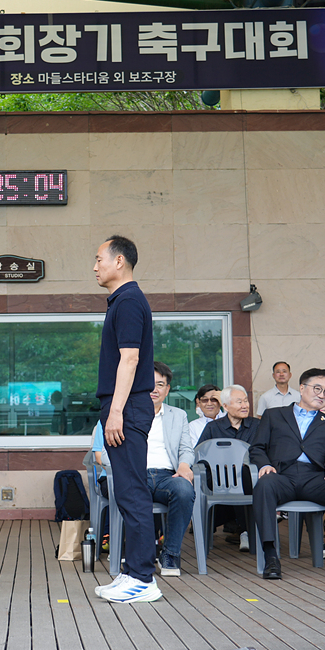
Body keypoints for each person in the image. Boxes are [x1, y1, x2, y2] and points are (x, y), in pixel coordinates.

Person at [90, 235, 163, 603]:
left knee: (132, 490)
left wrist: (116, 410)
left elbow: (130, 359)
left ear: (120, 261)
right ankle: (133, 572)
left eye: (99, 258)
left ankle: (144, 580)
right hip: (125, 405)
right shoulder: (122, 301)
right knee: (125, 490)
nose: (95, 265)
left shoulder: (130, 300)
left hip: (128, 407)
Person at [250, 368, 325, 581]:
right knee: (264, 485)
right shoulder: (274, 415)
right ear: (302, 388)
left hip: (315, 478)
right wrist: (264, 464)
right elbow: (257, 448)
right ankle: (271, 557)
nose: (322, 394)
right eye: (317, 388)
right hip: (281, 476)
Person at [94, 362, 194, 576]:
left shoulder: (179, 415)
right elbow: (105, 453)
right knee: (134, 496)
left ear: (167, 389)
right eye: (149, 385)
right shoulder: (123, 413)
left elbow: (186, 448)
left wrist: (185, 465)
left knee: (184, 490)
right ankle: (139, 556)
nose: (154, 390)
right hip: (135, 474)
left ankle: (170, 554)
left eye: (160, 384)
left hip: (168, 475)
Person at [199, 385, 259, 552]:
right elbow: (200, 457)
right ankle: (245, 530)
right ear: (225, 406)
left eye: (246, 401)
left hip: (250, 481)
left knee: (244, 475)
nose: (245, 405)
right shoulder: (213, 428)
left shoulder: (257, 426)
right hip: (219, 484)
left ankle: (246, 530)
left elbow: (265, 453)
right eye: (239, 402)